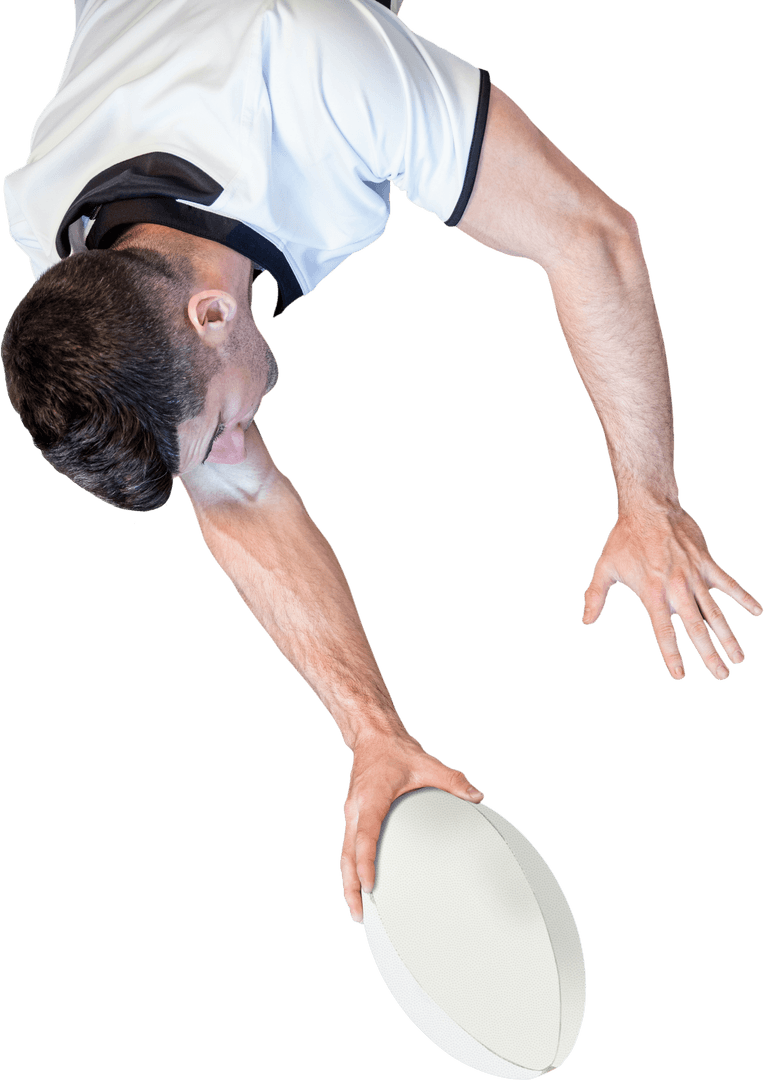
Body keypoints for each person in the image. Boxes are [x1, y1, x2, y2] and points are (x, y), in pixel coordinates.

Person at [2, 0, 760, 927]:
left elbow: (592, 236)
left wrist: (649, 499)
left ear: (213, 313)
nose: (234, 451)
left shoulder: (322, 75)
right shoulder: (69, 250)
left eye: (218, 429)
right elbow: (236, 498)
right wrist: (373, 734)